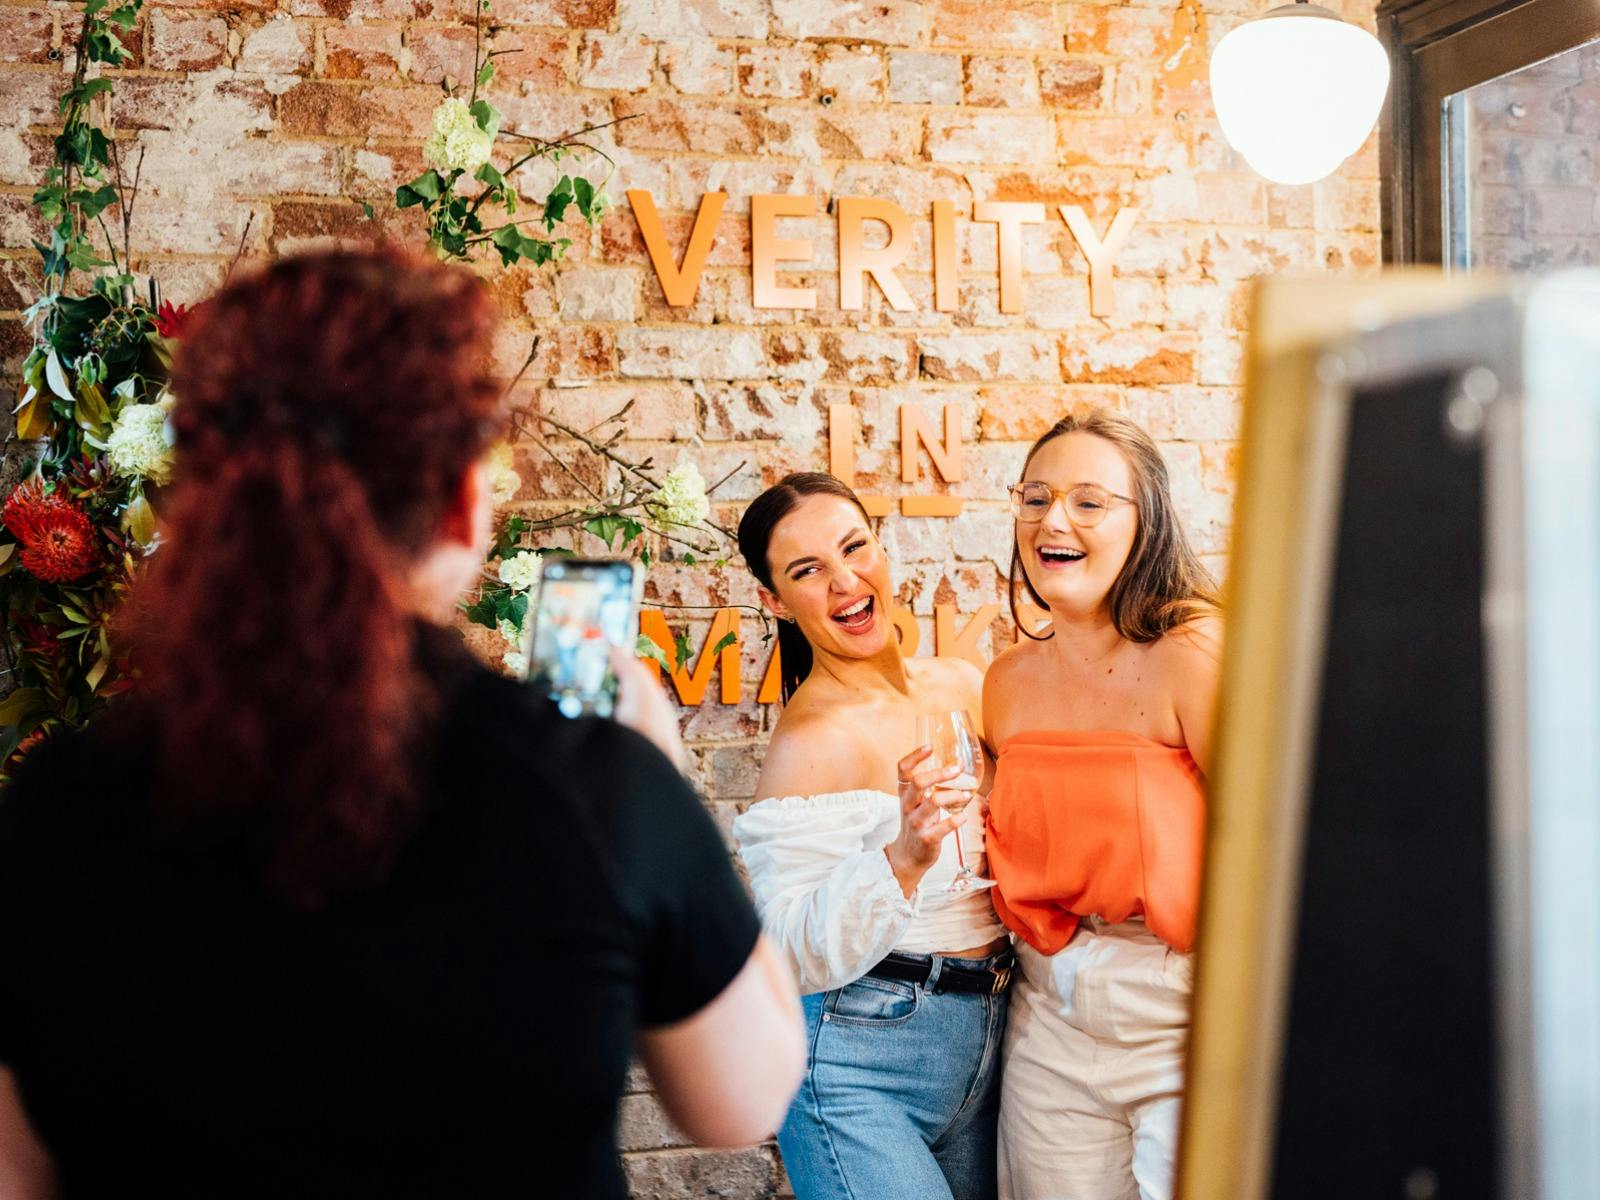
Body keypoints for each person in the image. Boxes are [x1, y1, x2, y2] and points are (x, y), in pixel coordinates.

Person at [0, 250, 804, 1200]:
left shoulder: (51, 813)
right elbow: (743, 1103)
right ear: (467, 505)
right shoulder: (593, 788)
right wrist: (656, 771)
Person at [731, 472, 1013, 1200]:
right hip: (858, 1059)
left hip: (995, 1036)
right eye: (807, 571)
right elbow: (785, 951)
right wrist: (904, 858)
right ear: (776, 602)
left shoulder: (962, 682)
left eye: (854, 548)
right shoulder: (812, 740)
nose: (845, 581)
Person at [983, 411, 1221, 1200]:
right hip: (1052, 1009)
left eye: (1090, 501)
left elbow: (1277, 847)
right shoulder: (1007, 682)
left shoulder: (1194, 656)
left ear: (1144, 521)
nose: (1054, 520)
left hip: (1188, 1013)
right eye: (1037, 497)